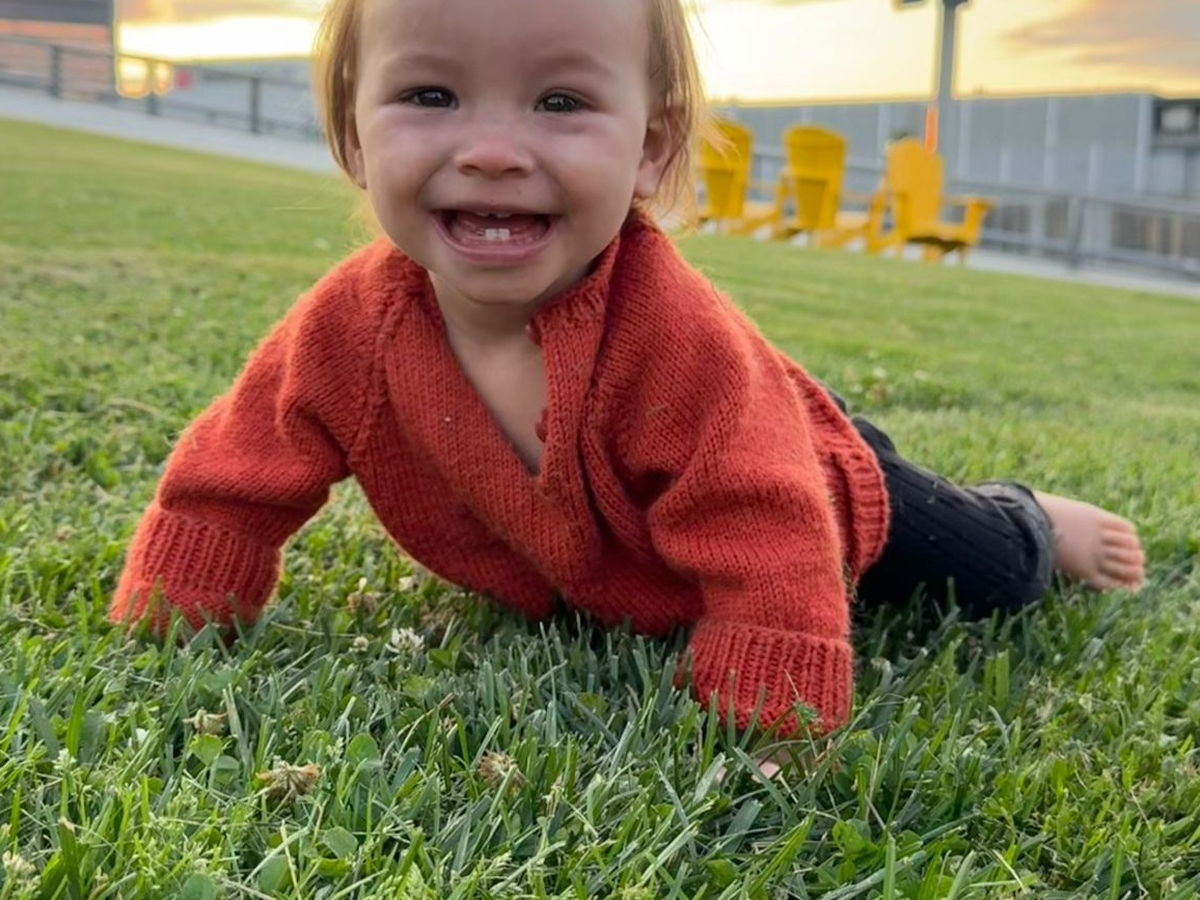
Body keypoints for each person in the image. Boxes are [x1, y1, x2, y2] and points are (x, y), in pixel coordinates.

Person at [109, 0, 1145, 739]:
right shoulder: (346, 333)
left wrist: (769, 714)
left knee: (988, 575)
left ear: (651, 149)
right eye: (431, 94)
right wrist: (179, 599)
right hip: (629, 558)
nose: (494, 149)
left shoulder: (675, 341)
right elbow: (235, 469)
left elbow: (768, 524)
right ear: (351, 134)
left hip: (815, 479)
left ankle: (1031, 517)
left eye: (560, 102)